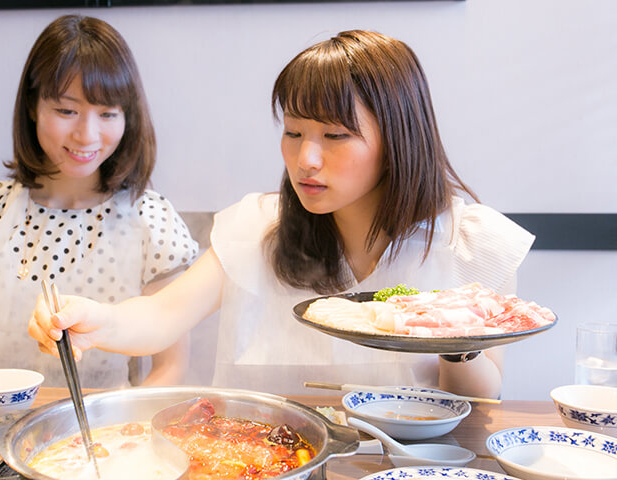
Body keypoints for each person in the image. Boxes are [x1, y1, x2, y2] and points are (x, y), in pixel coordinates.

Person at [28, 30, 534, 398]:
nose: (305, 159)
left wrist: (456, 337)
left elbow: (481, 400)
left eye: (335, 136)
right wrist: (94, 321)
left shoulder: (471, 243)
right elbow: (161, 316)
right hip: (267, 460)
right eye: (293, 132)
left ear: (398, 139)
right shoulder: (258, 228)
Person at [0, 15, 199, 389]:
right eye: (66, 111)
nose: (87, 135)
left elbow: (169, 369)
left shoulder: (152, 219)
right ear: (32, 105)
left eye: (107, 113)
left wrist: (120, 437)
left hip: (107, 438)